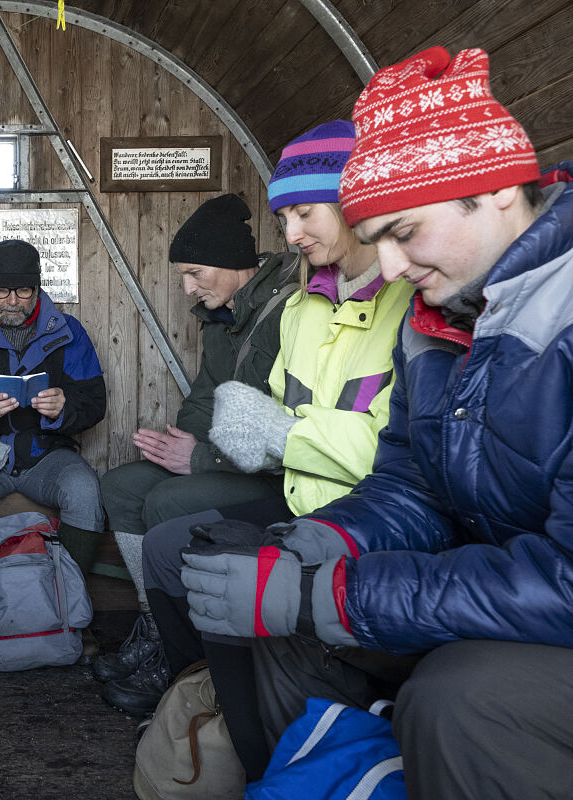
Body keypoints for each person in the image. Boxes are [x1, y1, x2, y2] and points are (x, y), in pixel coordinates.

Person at [179, 46, 573, 799]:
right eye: (376, 237)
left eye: (404, 231)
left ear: (490, 190)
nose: (389, 268)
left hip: (542, 608)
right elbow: (411, 484)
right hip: (491, 587)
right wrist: (327, 542)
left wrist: (335, 594)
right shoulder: (436, 323)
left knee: (459, 694)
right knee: (283, 614)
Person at [130, 121, 413, 767]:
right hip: (300, 498)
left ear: (358, 202)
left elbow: (400, 453)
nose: (289, 236)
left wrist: (274, 436)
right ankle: (207, 701)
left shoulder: (407, 303)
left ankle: (256, 745)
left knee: (219, 568)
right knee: (180, 552)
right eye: (284, 216)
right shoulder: (304, 308)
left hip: (363, 510)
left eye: (305, 213)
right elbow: (249, 407)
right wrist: (238, 429)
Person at [94, 194, 293, 695]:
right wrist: (179, 445)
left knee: (168, 500)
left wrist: (198, 459)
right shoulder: (222, 319)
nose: (187, 287)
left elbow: (281, 433)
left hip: (276, 480)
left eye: (196, 273)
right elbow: (205, 398)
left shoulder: (283, 315)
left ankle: (187, 651)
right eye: (184, 274)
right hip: (224, 462)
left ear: (234, 265)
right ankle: (157, 624)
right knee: (121, 487)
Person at [0, 238, 106, 665]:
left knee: (84, 490)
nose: (11, 300)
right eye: (1, 291)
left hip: (45, 455)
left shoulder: (67, 331)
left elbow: (95, 402)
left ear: (38, 288)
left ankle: (64, 615)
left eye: (22, 290)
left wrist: (64, 407)